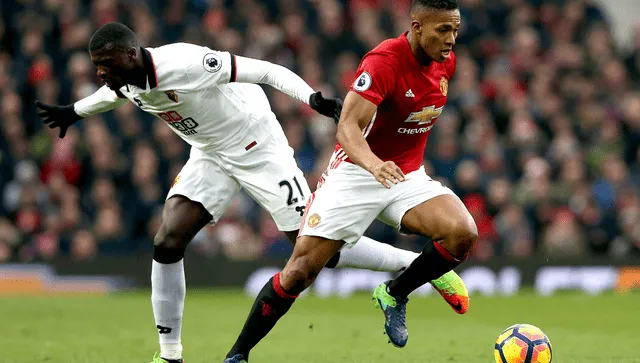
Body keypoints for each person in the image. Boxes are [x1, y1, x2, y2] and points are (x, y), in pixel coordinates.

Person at [36, 22, 469, 363]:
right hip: (208, 154)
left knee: (320, 253)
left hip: (258, 146)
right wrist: (72, 112)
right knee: (167, 242)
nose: (101, 73)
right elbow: (111, 96)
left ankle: (415, 265)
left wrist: (312, 98)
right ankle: (170, 356)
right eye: (98, 65)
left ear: (130, 55)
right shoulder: (124, 79)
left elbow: (263, 70)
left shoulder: (186, 62)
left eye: (106, 64)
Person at [223, 0, 475, 362]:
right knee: (300, 271)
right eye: (443, 30)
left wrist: (394, 166)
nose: (451, 39)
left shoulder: (445, 63)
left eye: (455, 30)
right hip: (357, 173)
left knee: (462, 233)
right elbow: (346, 127)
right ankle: (237, 355)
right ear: (417, 28)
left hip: (405, 176)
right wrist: (373, 164)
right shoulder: (384, 62)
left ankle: (395, 293)